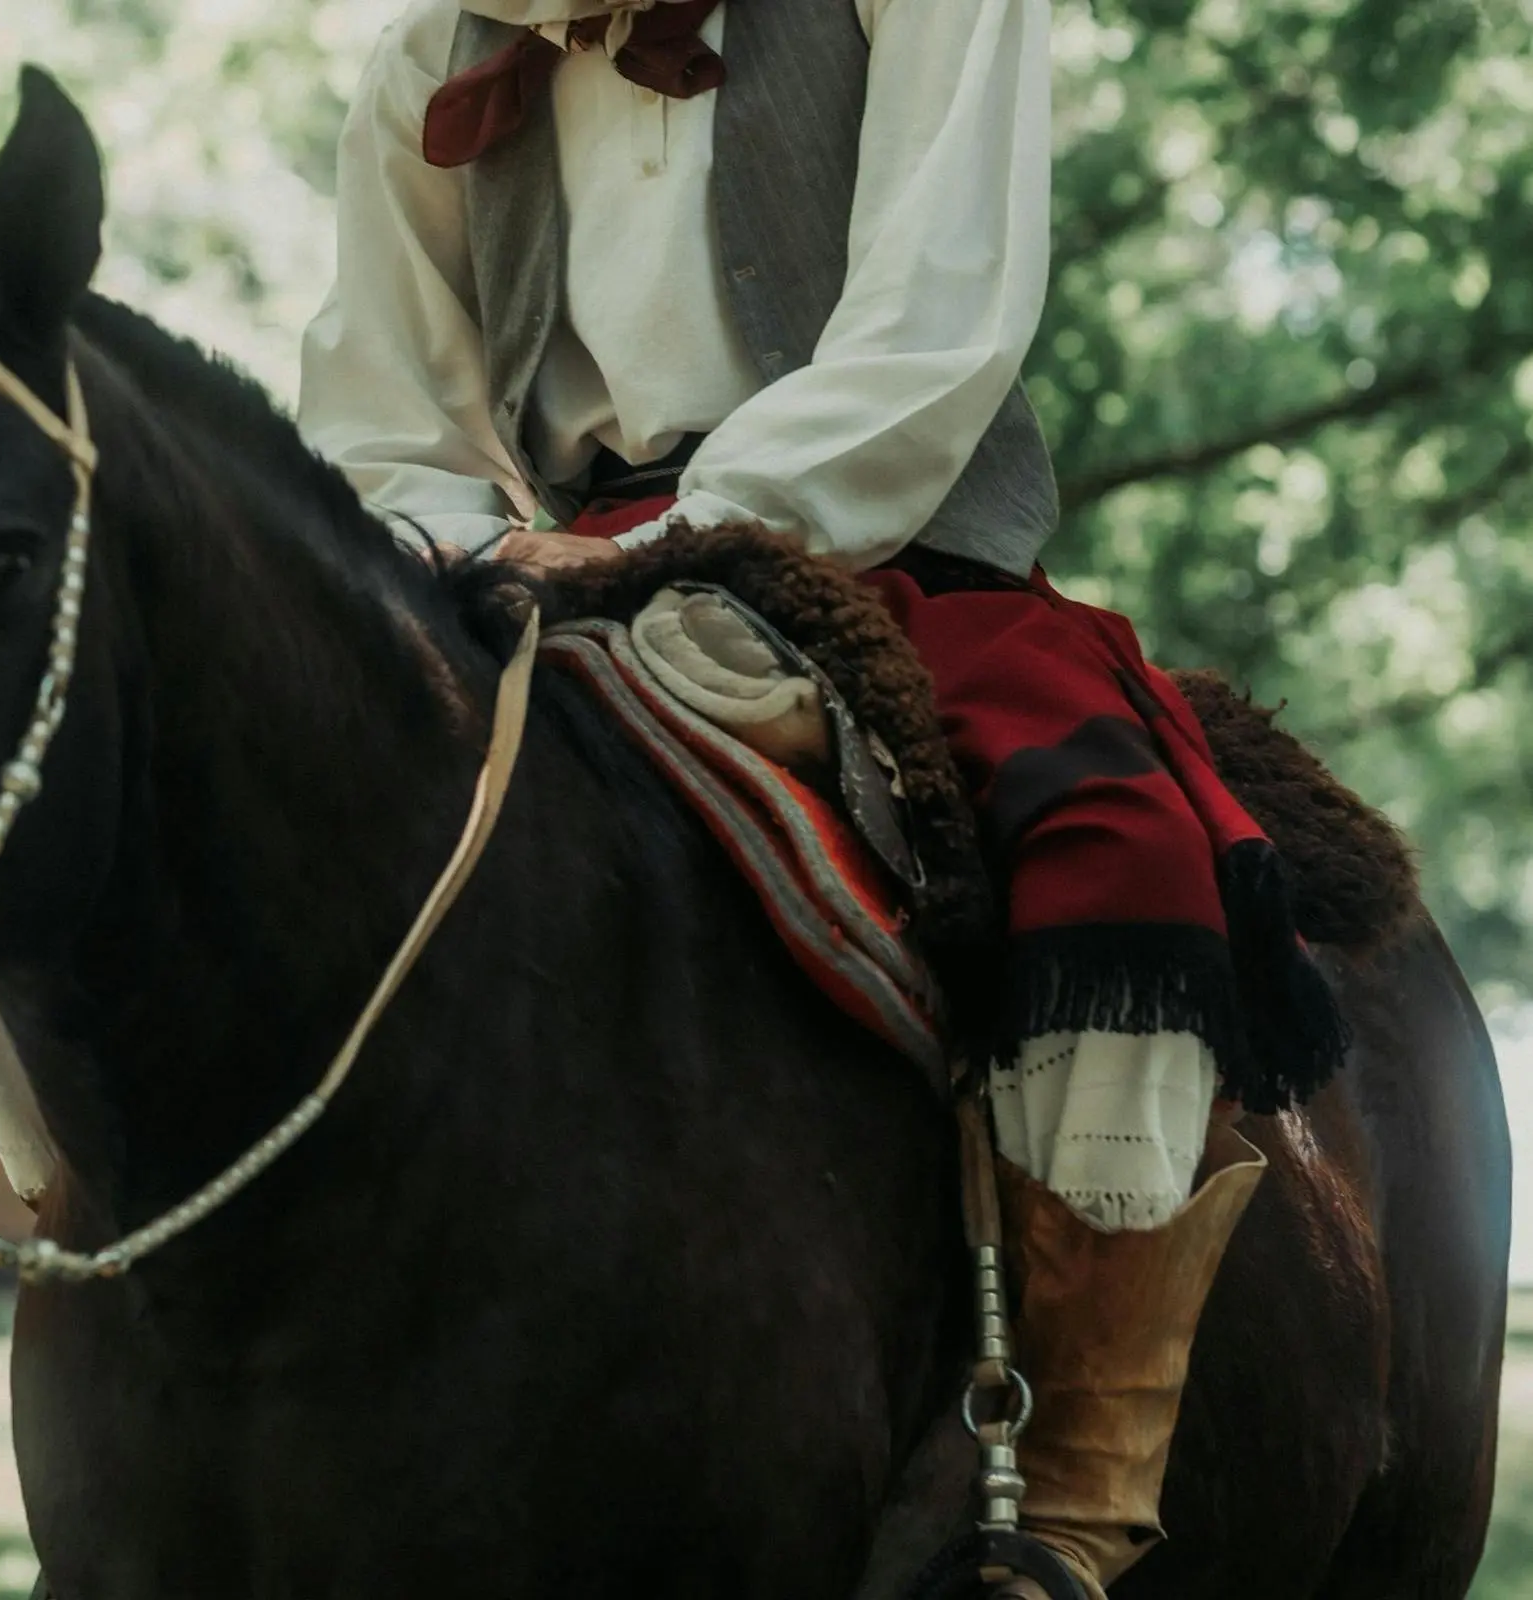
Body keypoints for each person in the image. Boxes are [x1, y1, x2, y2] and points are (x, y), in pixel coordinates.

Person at [297, 4, 1341, 1594]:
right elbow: (384, 412)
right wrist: (463, 545)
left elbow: (940, 322)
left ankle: (1071, 1489)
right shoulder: (438, 55)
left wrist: (710, 525)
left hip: (880, 533)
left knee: (1117, 847)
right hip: (541, 561)